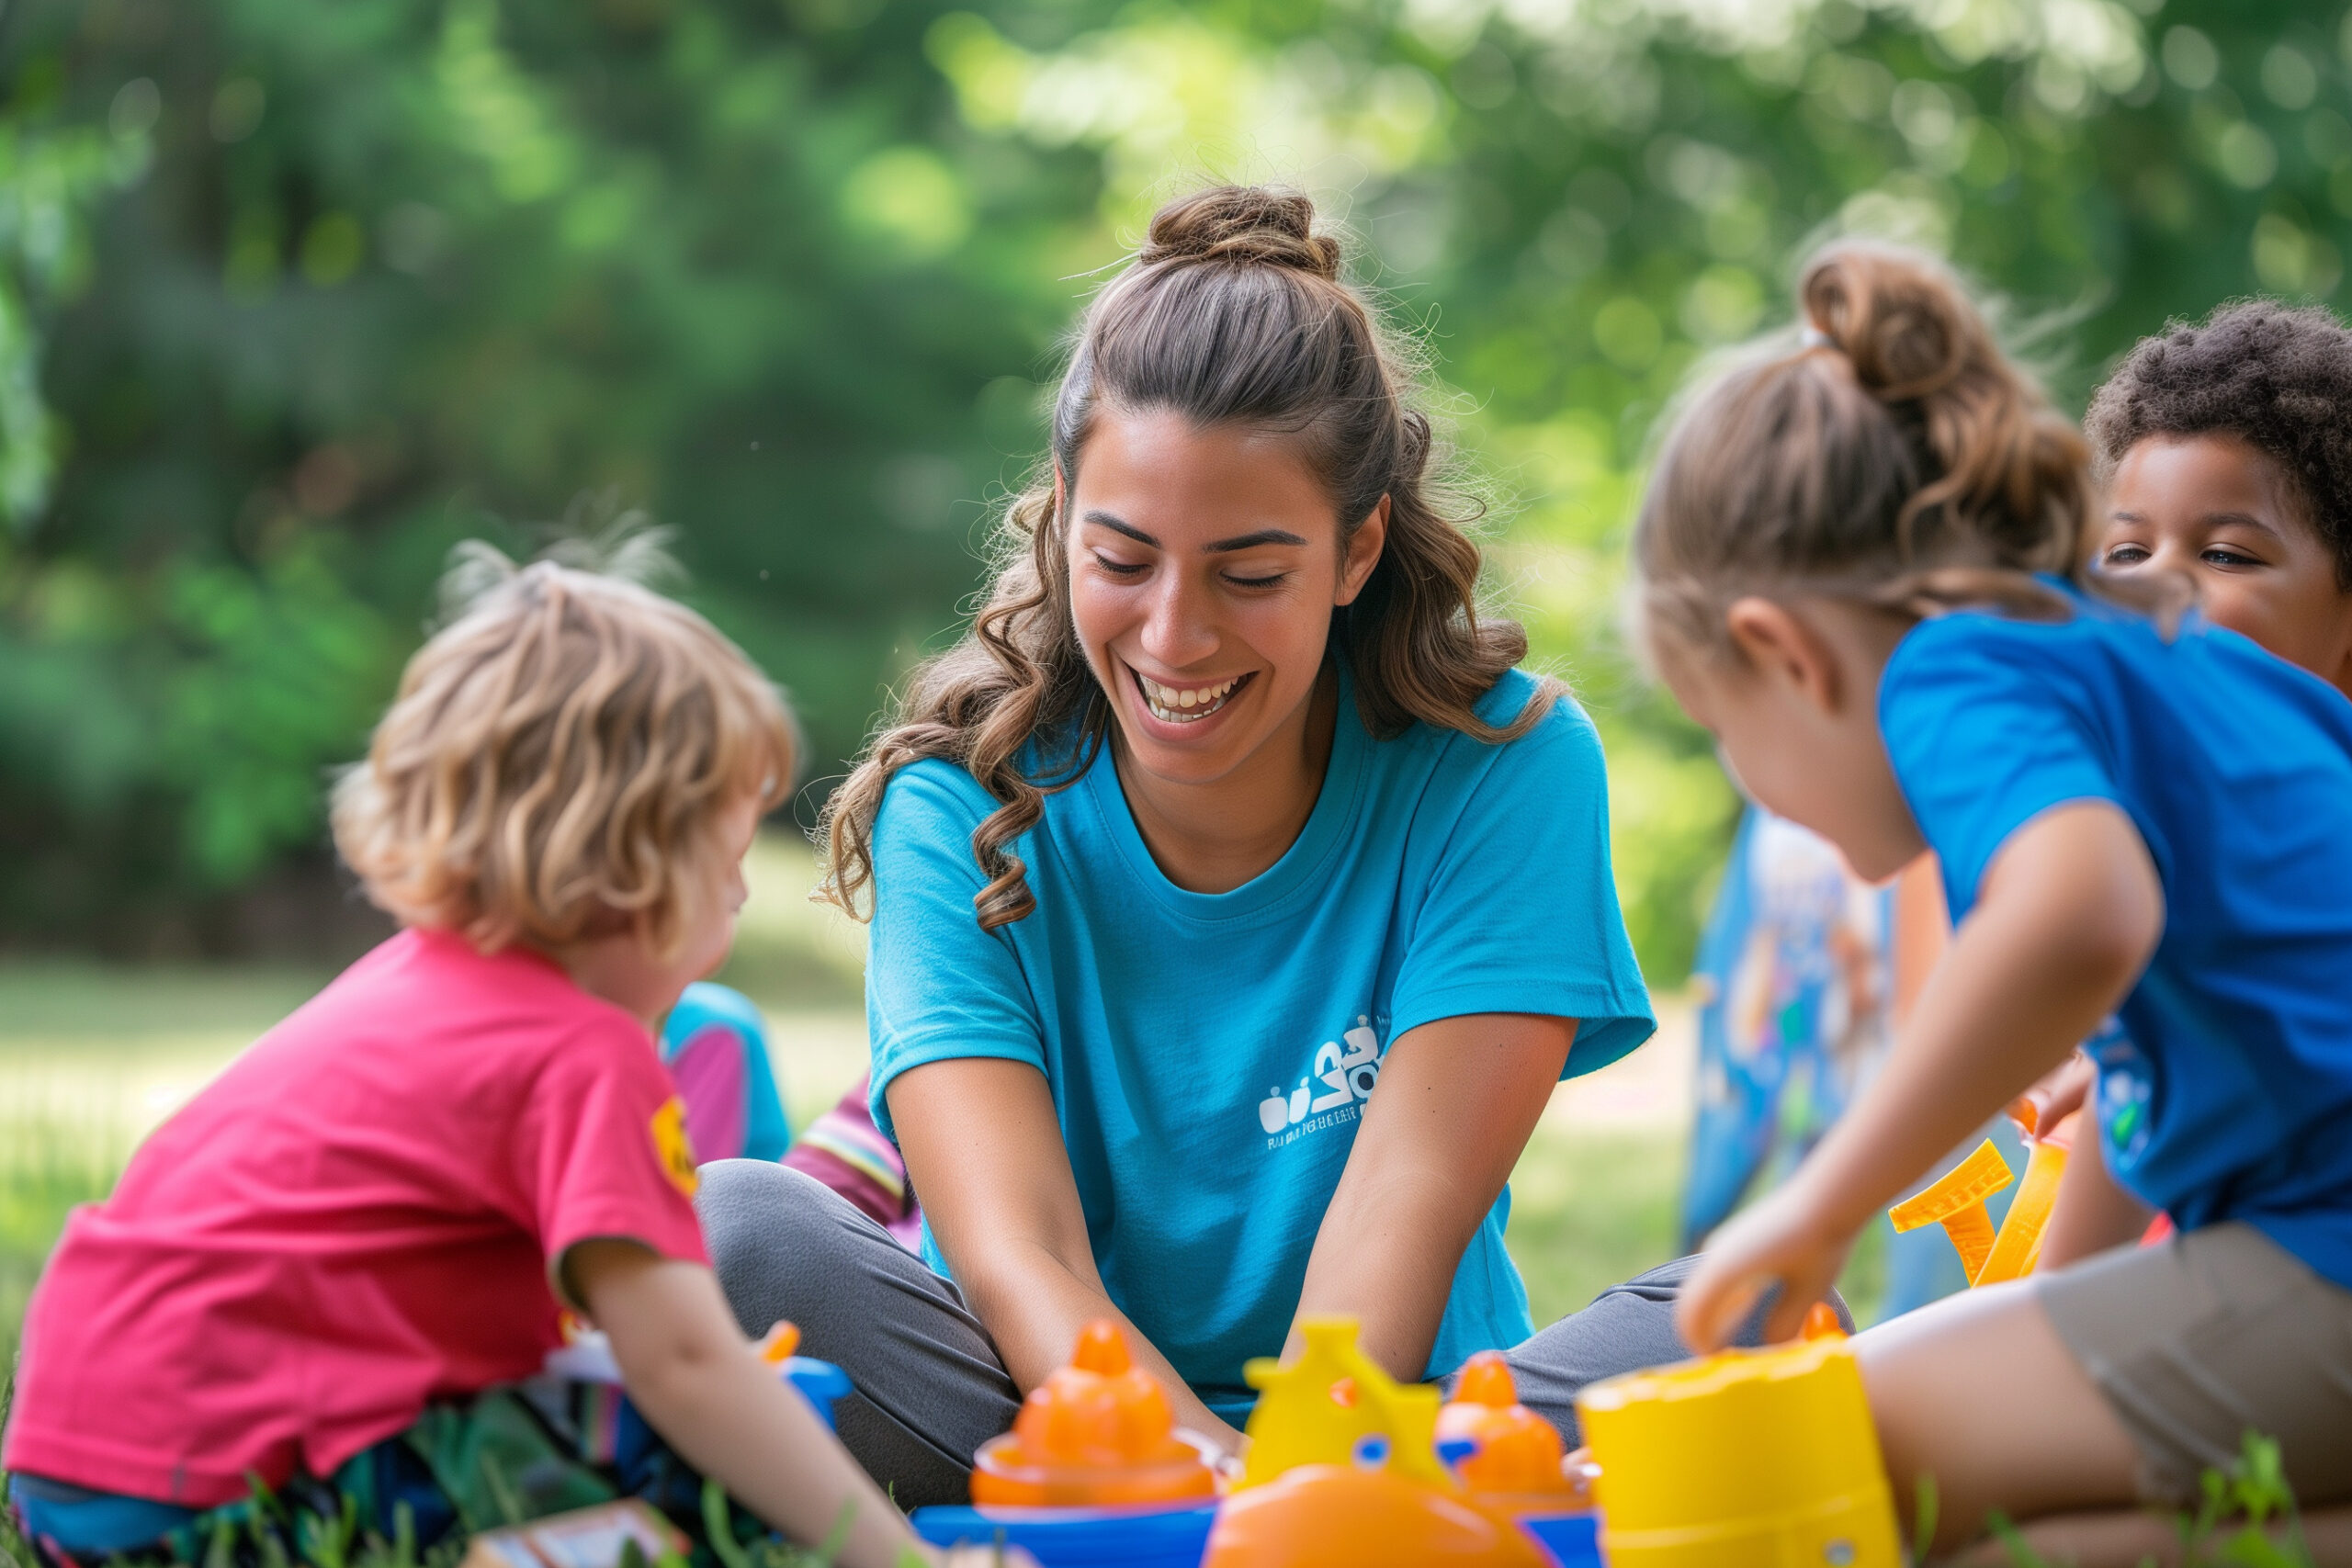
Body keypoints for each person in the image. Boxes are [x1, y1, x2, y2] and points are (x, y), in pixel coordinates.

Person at [693, 184, 1809, 1507]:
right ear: (1060, 519)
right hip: (1057, 1432)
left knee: (1760, 1305)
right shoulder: (959, 802)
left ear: (1357, 551)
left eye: (1249, 573)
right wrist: (1208, 1494)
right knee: (744, 1228)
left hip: (1403, 1434)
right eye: (1123, 557)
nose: (1173, 635)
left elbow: (1402, 1207)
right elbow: (1021, 1253)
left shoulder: (1505, 767)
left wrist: (1295, 1496)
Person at [1, 547, 996, 1568]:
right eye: (730, 861)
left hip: (69, 1471)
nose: (742, 901)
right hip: (222, 1492)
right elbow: (689, 1365)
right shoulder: (581, 1053)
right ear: (639, 866)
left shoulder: (405, 985)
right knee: (686, 1473)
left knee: (590, 1417)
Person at [1633, 243, 2352, 1557]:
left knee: (1790, 1458)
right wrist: (2048, 1313)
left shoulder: (1961, 665)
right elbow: (2155, 1099)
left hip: (2329, 1249)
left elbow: (2081, 917)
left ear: (1778, 653)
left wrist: (1821, 1203)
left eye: (1716, 728)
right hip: (2308, 1242)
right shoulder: (2144, 659)